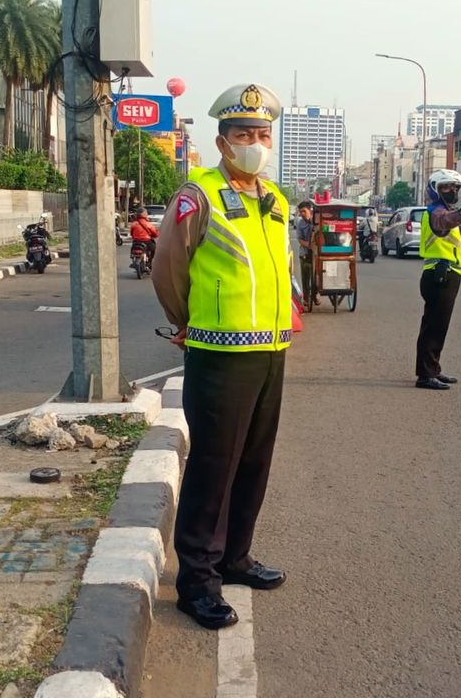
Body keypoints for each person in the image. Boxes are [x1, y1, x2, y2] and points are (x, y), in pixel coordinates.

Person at [151, 83, 292, 630]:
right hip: (218, 352)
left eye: (262, 134)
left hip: (271, 350)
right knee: (214, 466)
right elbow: (169, 266)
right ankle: (197, 581)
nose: (254, 143)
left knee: (254, 462)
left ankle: (235, 557)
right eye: (243, 135)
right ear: (222, 141)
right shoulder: (198, 194)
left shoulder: (274, 199)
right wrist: (188, 323)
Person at [414, 170, 461, 390]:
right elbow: (450, 220)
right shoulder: (435, 212)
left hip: (446, 274)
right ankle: (425, 376)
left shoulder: (441, 210)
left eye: (455, 188)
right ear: (436, 190)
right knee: (434, 327)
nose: (452, 191)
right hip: (440, 274)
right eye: (447, 187)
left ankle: (432, 370)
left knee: (439, 326)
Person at [295, 200, 320, 306]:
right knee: (305, 277)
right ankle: (306, 298)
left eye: (304, 211)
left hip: (316, 254)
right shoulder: (300, 223)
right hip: (304, 252)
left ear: (310, 210)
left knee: (317, 277)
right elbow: (299, 239)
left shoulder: (317, 220)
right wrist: (310, 245)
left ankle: (314, 296)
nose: (302, 214)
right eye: (300, 212)